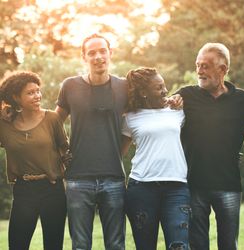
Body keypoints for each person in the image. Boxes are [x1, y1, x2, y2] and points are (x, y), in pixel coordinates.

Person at [55, 33, 128, 250]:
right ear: (84, 57)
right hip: (78, 179)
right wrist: (61, 151)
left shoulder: (125, 87)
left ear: (110, 53)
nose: (98, 57)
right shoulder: (70, 86)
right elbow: (53, 123)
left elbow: (133, 125)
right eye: (92, 53)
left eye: (102, 51)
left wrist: (118, 153)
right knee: (80, 245)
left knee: (116, 244)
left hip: (114, 178)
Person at [177, 43, 244, 250]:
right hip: (193, 185)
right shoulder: (186, 95)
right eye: (197, 65)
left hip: (229, 186)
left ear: (223, 69)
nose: (199, 71)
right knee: (197, 245)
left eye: (206, 66)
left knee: (229, 245)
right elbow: (161, 115)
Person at [122, 67, 190, 250]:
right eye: (159, 87)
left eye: (164, 85)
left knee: (180, 245)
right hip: (142, 189)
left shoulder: (178, 112)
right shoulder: (130, 118)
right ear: (144, 92)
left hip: (177, 188)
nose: (165, 90)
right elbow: (118, 154)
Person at [0, 71, 69, 250]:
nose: (37, 95)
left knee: (53, 246)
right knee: (17, 245)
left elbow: (65, 151)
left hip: (52, 188)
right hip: (24, 190)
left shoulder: (52, 118)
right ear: (16, 97)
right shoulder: (4, 123)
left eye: (38, 90)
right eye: (30, 93)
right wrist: (3, 107)